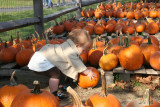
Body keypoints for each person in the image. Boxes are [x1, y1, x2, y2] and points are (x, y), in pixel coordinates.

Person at [28, 29, 97, 99]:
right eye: (83, 50)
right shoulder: (70, 52)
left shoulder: (69, 46)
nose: (83, 52)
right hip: (41, 61)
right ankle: (54, 93)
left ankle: (58, 85)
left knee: (60, 68)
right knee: (55, 74)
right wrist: (87, 72)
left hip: (44, 56)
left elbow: (75, 60)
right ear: (77, 45)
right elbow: (77, 64)